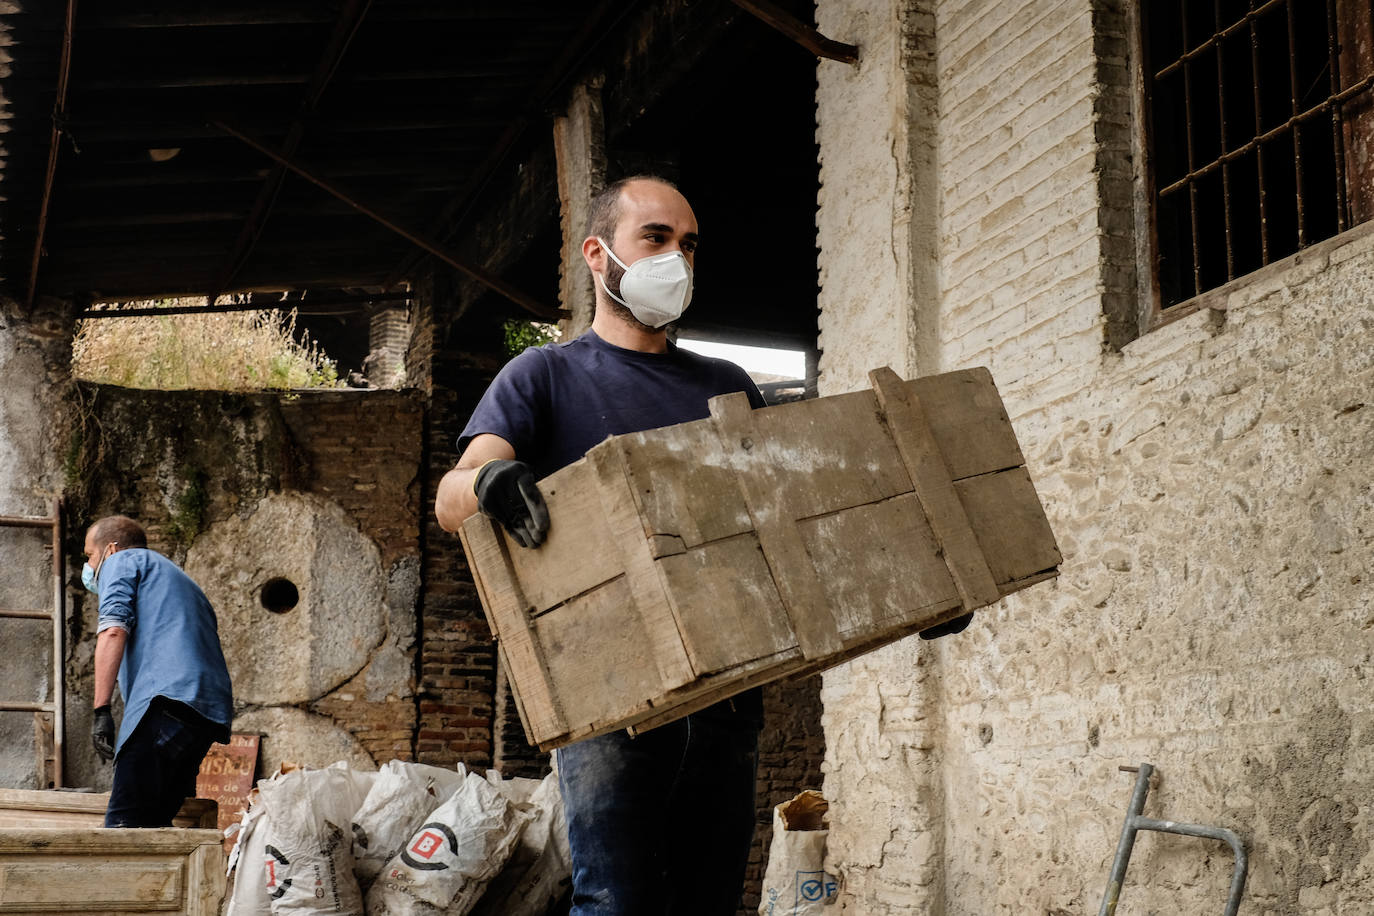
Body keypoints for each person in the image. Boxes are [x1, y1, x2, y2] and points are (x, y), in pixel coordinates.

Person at [435, 175, 764, 915]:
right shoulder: (544, 374)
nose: (676, 259)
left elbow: (787, 519)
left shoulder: (729, 384)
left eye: (688, 245)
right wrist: (489, 482)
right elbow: (451, 497)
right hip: (607, 684)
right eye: (655, 238)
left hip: (731, 686)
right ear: (597, 253)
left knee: (707, 902)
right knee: (618, 901)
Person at [83, 514, 233, 828]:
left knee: (125, 826)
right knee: (157, 823)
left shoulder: (120, 562)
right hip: (205, 713)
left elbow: (112, 630)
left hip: (164, 702)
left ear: (110, 549)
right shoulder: (179, 579)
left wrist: (101, 710)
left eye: (89, 556)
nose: (89, 566)